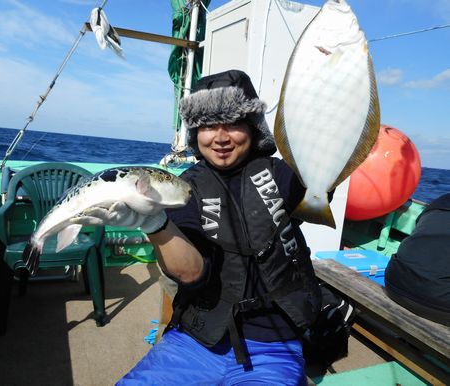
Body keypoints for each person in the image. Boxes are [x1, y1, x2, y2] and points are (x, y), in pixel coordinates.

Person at [75, 70, 322, 385]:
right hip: (196, 337)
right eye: (206, 125)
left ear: (252, 126)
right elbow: (191, 273)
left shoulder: (284, 175)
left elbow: (326, 171)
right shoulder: (183, 188)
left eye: (232, 123)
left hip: (273, 344)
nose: (220, 137)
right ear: (195, 133)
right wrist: (155, 223)